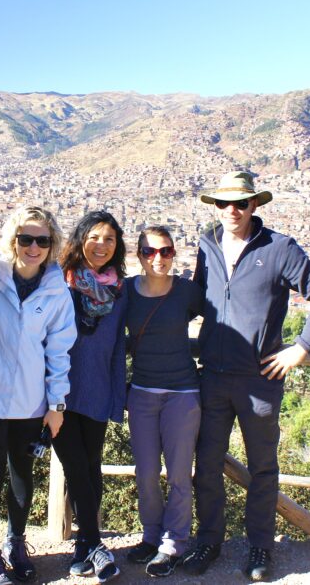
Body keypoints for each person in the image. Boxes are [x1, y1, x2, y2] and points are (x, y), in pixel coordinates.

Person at [181, 171, 310, 582]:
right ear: (214, 206)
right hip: (212, 376)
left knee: (263, 470)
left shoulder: (280, 248)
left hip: (259, 380)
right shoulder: (207, 245)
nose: (231, 211)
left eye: (240, 203)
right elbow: (200, 298)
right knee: (207, 465)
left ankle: (260, 547)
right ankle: (208, 541)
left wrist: (300, 348)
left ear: (255, 205)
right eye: (223, 204)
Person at [0, 206, 77, 585]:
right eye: (25, 239)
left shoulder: (56, 288)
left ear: (52, 245)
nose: (33, 247)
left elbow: (59, 351)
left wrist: (56, 404)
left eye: (42, 241)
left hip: (31, 401)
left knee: (22, 474)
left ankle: (16, 543)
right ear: (12, 240)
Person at [53, 211, 129, 583]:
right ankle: (95, 543)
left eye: (109, 239)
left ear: (118, 247)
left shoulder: (121, 289)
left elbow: (117, 349)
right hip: (59, 393)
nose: (101, 245)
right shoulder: (58, 281)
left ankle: (85, 547)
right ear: (81, 239)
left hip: (98, 389)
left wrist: (117, 397)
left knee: (91, 465)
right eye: (95, 237)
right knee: (75, 466)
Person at [124, 225, 203, 577]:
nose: (158, 258)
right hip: (141, 392)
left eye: (166, 251)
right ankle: (150, 536)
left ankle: (173, 543)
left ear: (174, 253)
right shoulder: (126, 292)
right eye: (150, 251)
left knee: (179, 475)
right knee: (145, 473)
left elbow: (221, 317)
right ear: (138, 255)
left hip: (183, 393)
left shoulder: (187, 292)